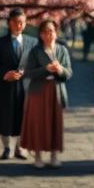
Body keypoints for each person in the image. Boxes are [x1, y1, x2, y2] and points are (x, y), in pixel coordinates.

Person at [20, 19, 72, 169]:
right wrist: (46, 69)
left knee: (55, 123)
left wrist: (60, 70)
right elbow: (28, 73)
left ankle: (54, 156)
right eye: (46, 32)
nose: (49, 34)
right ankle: (37, 156)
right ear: (41, 35)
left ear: (56, 33)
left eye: (52, 31)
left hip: (56, 90)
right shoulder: (35, 51)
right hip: (38, 92)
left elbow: (69, 73)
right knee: (38, 123)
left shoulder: (62, 50)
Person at [0, 8, 35, 160]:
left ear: (26, 24)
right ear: (9, 23)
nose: (18, 25)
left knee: (24, 117)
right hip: (5, 86)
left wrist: (25, 73)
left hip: (25, 86)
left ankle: (20, 147)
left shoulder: (32, 42)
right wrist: (4, 74)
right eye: (15, 22)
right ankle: (7, 147)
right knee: (4, 117)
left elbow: (37, 64)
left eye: (22, 22)